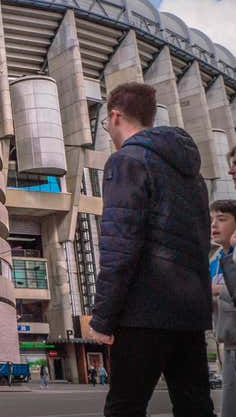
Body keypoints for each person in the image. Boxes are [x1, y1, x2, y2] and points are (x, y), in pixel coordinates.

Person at [88, 82, 215, 417]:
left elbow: (119, 245)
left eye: (106, 124)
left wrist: (102, 318)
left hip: (143, 313)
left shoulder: (126, 161)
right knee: (195, 406)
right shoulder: (192, 174)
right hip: (189, 314)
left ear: (114, 116)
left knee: (124, 408)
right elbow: (203, 241)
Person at [212, 199, 236, 417]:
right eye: (212, 219)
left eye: (221, 219)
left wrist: (218, 290)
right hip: (227, 347)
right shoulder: (217, 260)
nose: (213, 225)